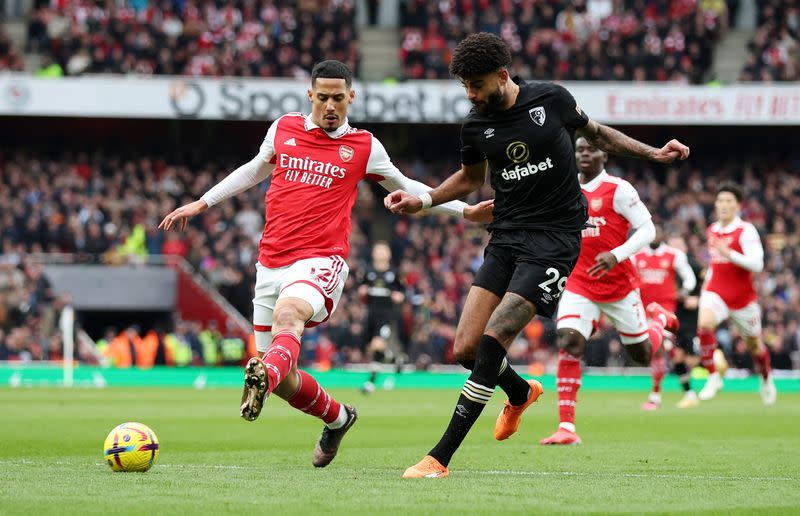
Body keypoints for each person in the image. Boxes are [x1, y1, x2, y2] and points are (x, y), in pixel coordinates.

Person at [159, 60, 493, 468]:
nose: (331, 105)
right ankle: (337, 418)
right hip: (271, 262)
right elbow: (253, 170)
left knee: (289, 315)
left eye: (339, 97)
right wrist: (202, 202)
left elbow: (410, 186)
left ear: (351, 97)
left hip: (321, 260)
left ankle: (266, 375)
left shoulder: (365, 146)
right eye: (323, 97)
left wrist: (465, 211)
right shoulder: (283, 128)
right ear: (310, 96)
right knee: (281, 379)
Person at [386, 33, 689, 477]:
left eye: (476, 85)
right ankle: (521, 392)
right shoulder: (475, 125)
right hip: (506, 236)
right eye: (464, 86)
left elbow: (598, 134)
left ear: (503, 75)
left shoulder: (551, 99)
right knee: (466, 349)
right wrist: (427, 200)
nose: (470, 95)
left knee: (495, 337)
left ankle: (440, 457)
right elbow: (471, 178)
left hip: (556, 239)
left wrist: (653, 153)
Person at [538, 137, 678, 445]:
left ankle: (660, 321)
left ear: (605, 154)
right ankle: (567, 428)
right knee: (569, 340)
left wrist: (617, 254)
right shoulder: (564, 187)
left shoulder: (619, 189)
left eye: (592, 149)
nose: (585, 154)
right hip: (579, 282)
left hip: (619, 286)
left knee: (641, 355)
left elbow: (648, 230)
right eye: (580, 149)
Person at [695, 183, 776, 405]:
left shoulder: (746, 230)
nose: (724, 205)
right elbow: (714, 262)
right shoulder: (712, 229)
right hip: (717, 292)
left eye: (729, 201)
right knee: (704, 324)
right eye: (720, 200)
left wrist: (729, 253)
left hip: (743, 299)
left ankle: (766, 378)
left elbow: (758, 265)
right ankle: (713, 376)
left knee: (755, 347)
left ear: (738, 206)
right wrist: (707, 283)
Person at [634, 227, 698, 409]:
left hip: (665, 311)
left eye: (658, 233)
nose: (655, 236)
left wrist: (684, 291)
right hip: (643, 311)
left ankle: (655, 397)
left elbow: (689, 278)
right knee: (672, 354)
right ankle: (688, 391)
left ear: (663, 236)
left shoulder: (673, 255)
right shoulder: (636, 255)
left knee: (660, 349)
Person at [358, 241, 405, 393]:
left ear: (388, 254)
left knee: (377, 345)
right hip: (371, 315)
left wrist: (399, 296)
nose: (380, 253)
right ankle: (395, 360)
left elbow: (402, 292)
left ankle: (370, 383)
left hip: (387, 316)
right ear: (373, 254)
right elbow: (362, 290)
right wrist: (362, 292)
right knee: (372, 347)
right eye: (377, 251)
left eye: (383, 251)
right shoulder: (368, 271)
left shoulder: (394, 273)